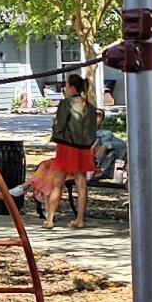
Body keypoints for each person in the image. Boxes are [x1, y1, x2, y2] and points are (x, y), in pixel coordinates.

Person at [46, 75, 101, 229]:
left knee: (58, 183)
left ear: (72, 87)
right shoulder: (89, 107)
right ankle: (80, 219)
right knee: (81, 183)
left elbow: (60, 125)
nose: (65, 88)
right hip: (83, 148)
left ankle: (49, 218)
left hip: (66, 146)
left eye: (66, 85)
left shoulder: (66, 104)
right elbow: (93, 129)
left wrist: (54, 131)